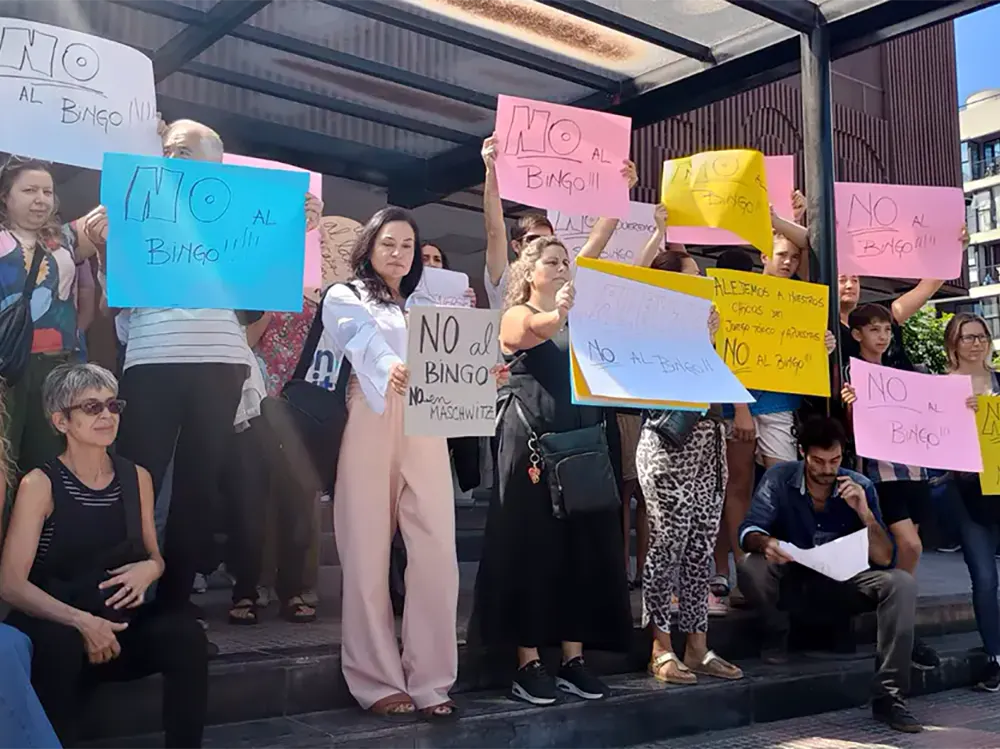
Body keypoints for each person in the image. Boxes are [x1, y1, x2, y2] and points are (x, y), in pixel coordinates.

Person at [106, 118, 322, 617]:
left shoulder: (242, 213)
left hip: (221, 364)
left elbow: (264, 295)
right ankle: (121, 598)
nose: (173, 158)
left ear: (216, 164)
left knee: (199, 486)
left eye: (183, 150)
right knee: (137, 479)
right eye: (167, 150)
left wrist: (296, 224)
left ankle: (175, 607)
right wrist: (101, 237)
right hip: (150, 360)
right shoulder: (134, 199)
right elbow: (108, 284)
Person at [0, 363, 208, 747]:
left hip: (117, 625)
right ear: (61, 421)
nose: (107, 415)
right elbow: (10, 584)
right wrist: (82, 622)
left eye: (113, 405)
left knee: (186, 637)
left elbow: (154, 556)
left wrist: (151, 567)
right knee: (59, 648)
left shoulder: (137, 477)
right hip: (58, 623)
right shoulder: (39, 484)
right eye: (92, 407)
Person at [310, 207, 458, 718]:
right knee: (367, 551)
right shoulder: (343, 294)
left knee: (437, 550)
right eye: (389, 243)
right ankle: (376, 680)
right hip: (370, 411)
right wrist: (391, 365)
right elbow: (358, 337)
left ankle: (432, 680)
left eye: (407, 246)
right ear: (370, 246)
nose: (398, 254)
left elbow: (454, 363)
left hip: (425, 420)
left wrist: (485, 377)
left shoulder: (427, 304)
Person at [473, 235, 632, 706]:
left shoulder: (583, 320)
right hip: (533, 451)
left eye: (566, 261)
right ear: (530, 270)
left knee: (581, 551)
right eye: (552, 261)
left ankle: (573, 659)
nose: (562, 267)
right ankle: (527, 662)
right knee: (531, 549)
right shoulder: (518, 311)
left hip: (582, 449)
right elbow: (524, 334)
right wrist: (558, 315)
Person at [737, 416, 921, 733]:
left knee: (901, 583)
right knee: (749, 565)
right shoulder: (779, 478)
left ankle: (889, 696)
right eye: (818, 461)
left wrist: (864, 513)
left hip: (842, 584)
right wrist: (766, 542)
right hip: (791, 578)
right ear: (802, 453)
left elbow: (884, 557)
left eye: (834, 460)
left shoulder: (858, 486)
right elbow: (749, 529)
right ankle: (775, 631)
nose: (826, 470)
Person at [634, 206, 743, 685]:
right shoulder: (647, 328)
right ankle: (660, 646)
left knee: (700, 545)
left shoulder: (710, 326)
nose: (702, 286)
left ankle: (697, 644)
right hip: (666, 439)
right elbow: (629, 286)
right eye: (693, 278)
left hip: (709, 439)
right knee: (668, 542)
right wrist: (660, 234)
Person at [840, 304, 939, 670]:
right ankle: (901, 628)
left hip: (915, 472)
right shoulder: (848, 374)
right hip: (881, 474)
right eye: (874, 330)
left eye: (886, 330)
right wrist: (848, 405)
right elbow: (848, 428)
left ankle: (898, 620)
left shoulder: (904, 374)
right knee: (908, 546)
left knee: (911, 549)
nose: (882, 336)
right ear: (857, 335)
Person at [0, 156, 106, 477]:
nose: (40, 199)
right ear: (6, 196)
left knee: (51, 464)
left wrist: (148, 138)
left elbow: (121, 203)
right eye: (29, 190)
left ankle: (43, 526)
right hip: (7, 371)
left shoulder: (66, 238)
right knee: (5, 465)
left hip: (60, 369)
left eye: (47, 192)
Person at [480, 134, 637, 310]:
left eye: (549, 239)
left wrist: (620, 191)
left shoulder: (564, 276)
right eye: (533, 239)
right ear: (516, 246)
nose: (542, 244)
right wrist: (491, 172)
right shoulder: (504, 278)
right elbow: (495, 231)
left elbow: (598, 240)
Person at [942, 313, 1000, 691]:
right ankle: (995, 657)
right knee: (984, 577)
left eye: (981, 337)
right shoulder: (940, 387)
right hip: (967, 494)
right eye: (967, 338)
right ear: (953, 344)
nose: (975, 344)